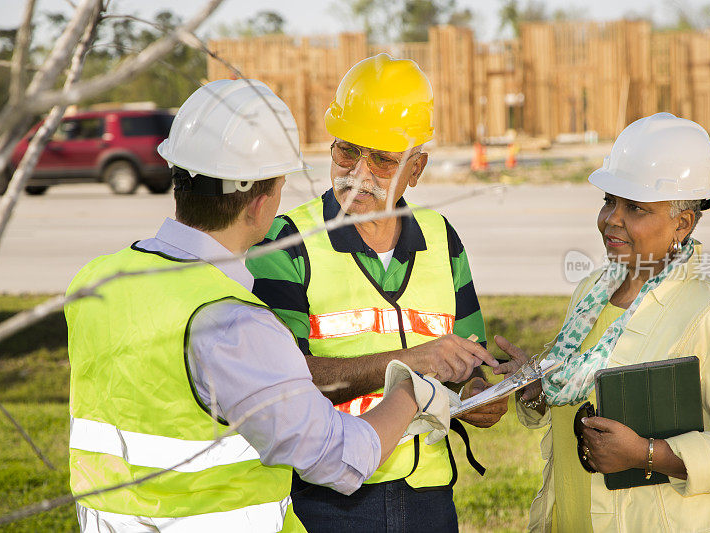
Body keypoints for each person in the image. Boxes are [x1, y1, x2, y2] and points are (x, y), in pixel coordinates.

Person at [65, 79, 451, 532]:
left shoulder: (96, 280)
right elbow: (339, 459)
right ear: (261, 202)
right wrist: (410, 389)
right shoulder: (231, 322)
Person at [246, 53, 506, 532]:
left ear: (417, 168)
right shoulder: (287, 244)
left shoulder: (441, 239)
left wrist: (483, 392)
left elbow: (470, 364)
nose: (359, 173)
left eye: (383, 159)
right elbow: (285, 381)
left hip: (429, 495)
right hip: (327, 497)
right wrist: (412, 365)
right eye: (347, 151)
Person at [496, 112, 710, 532]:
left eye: (635, 207)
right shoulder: (591, 294)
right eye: (609, 201)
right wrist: (540, 386)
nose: (612, 219)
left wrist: (648, 455)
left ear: (681, 223)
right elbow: (582, 392)